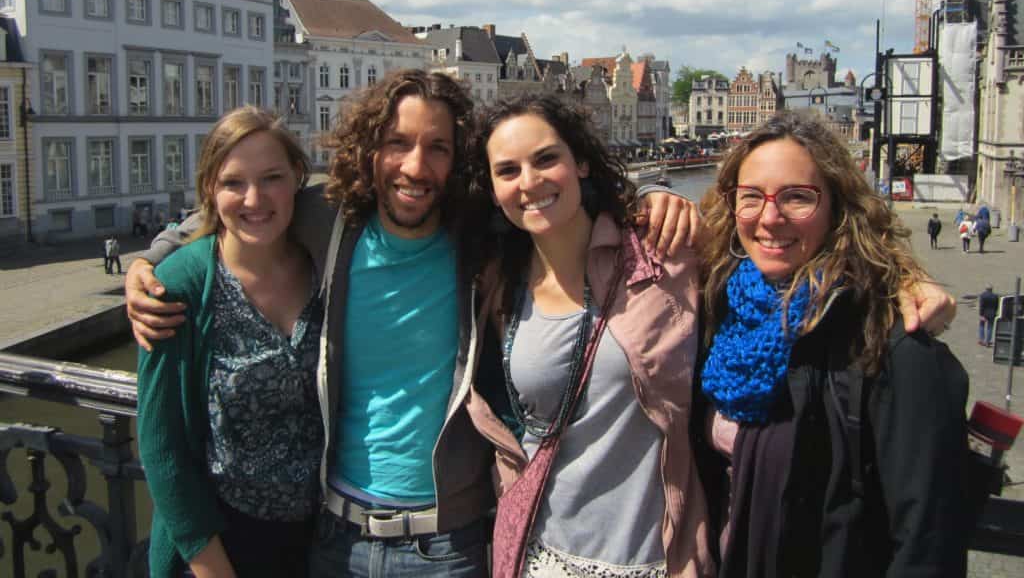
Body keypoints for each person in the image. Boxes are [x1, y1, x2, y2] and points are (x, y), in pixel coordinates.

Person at [127, 69, 701, 577]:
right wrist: (153, 260)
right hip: (334, 541)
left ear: (459, 161)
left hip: (449, 546)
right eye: (396, 144)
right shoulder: (332, 223)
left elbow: (557, 199)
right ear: (369, 150)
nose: (414, 167)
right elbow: (245, 202)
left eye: (437, 148)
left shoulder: (479, 238)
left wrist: (650, 197)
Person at [698, 111, 969, 577]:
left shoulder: (890, 344)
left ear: (838, 207)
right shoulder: (719, 308)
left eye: (797, 197)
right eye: (751, 198)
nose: (769, 217)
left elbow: (926, 543)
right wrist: (653, 193)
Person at [464, 95, 714, 577]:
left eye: (545, 159)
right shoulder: (498, 283)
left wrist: (897, 281)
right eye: (508, 170)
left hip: (651, 559)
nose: (530, 182)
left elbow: (775, 262)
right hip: (539, 555)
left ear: (579, 161)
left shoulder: (660, 255)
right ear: (493, 190)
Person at [137, 107, 322, 578]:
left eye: (272, 178)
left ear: (297, 179)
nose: (254, 198)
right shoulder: (181, 284)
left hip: (320, 544)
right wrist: (212, 568)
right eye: (233, 183)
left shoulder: (326, 266)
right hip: (220, 545)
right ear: (209, 192)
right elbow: (162, 447)